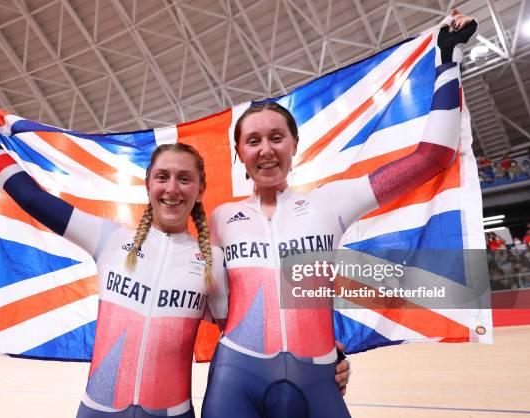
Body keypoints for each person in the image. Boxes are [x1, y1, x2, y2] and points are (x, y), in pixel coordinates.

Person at [202, 9, 478, 418]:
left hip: (317, 376)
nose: (266, 149)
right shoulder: (221, 218)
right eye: (253, 141)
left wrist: (448, 59)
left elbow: (432, 157)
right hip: (235, 376)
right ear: (239, 155)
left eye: (277, 137)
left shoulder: (330, 203)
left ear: (294, 144)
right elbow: (214, 305)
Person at [0, 108, 229, 418]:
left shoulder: (213, 260)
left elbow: (233, 341)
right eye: (162, 177)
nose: (172, 188)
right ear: (148, 185)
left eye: (184, 179)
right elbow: (32, 199)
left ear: (200, 189)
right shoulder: (109, 239)